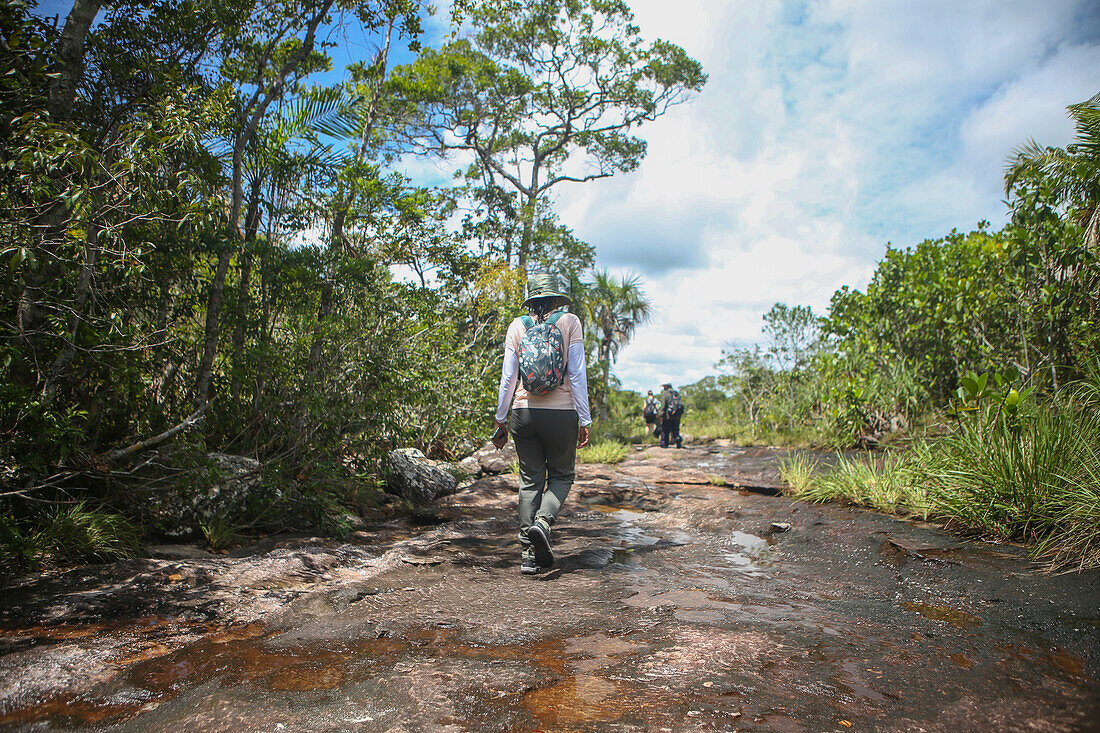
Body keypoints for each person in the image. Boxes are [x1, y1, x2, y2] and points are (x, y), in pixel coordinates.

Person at [492, 273, 592, 575]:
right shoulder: (570, 322)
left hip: (523, 413)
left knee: (530, 481)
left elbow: (508, 377)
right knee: (562, 475)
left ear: (532, 299)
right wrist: (584, 418)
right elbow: (576, 374)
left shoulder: (517, 325)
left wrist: (501, 419)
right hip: (562, 413)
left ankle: (526, 555)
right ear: (556, 297)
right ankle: (543, 522)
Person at [659, 381, 683, 449]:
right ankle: (677, 438)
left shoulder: (665, 394)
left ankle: (664, 444)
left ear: (666, 386)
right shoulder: (676, 393)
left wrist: (661, 414)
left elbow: (663, 405)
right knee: (675, 429)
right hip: (676, 415)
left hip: (668, 416)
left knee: (665, 430)